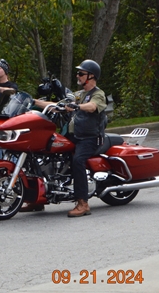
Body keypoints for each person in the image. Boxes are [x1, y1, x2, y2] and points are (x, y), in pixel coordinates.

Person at [25, 59, 107, 217]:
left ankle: (83, 203)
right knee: (45, 153)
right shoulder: (78, 95)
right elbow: (57, 104)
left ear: (91, 76)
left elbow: (92, 107)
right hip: (74, 136)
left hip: (90, 138)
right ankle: (38, 199)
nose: (78, 75)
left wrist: (77, 107)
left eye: (81, 73)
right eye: (78, 73)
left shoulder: (98, 94)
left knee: (78, 160)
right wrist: (33, 102)